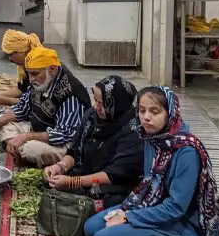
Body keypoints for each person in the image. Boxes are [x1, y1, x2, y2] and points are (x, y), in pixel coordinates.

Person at [84, 86, 219, 236]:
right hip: (150, 207)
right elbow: (149, 186)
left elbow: (176, 208)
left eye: (154, 111)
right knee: (90, 229)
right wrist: (130, 212)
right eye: (142, 111)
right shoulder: (152, 139)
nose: (146, 117)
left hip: (180, 223)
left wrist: (128, 217)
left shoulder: (186, 151)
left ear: (170, 112)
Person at [43, 75, 145, 209]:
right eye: (95, 101)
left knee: (101, 201)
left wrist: (73, 182)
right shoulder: (92, 117)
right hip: (86, 175)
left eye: (101, 103)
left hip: (114, 184)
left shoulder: (133, 131)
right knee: (49, 181)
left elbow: (114, 175)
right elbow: (74, 151)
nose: (96, 106)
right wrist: (60, 167)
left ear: (115, 104)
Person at [0, 46, 90, 166]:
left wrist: (26, 137)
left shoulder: (70, 94)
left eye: (35, 74)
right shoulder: (40, 81)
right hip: (39, 130)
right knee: (2, 120)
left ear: (52, 70)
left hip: (63, 143)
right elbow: (22, 108)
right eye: (29, 74)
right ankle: (18, 148)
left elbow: (63, 135)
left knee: (31, 150)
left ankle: (21, 149)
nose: (31, 79)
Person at [0, 30, 43, 108]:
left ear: (21, 51)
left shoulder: (40, 68)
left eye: (10, 54)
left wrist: (1, 100)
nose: (10, 59)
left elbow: (34, 103)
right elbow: (20, 90)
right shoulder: (24, 65)